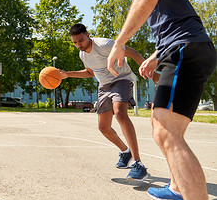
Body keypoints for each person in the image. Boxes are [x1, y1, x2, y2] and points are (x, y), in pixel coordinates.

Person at [105, 0, 216, 200]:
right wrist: (155, 57)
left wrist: (119, 44)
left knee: (167, 132)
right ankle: (178, 188)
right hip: (185, 46)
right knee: (163, 127)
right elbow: (176, 17)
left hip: (184, 49)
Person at [59, 23, 157, 181]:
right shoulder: (83, 54)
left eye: (81, 40)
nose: (79, 45)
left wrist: (151, 72)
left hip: (122, 79)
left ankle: (138, 164)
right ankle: (126, 152)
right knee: (103, 127)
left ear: (88, 35)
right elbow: (90, 73)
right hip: (104, 86)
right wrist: (68, 74)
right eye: (75, 42)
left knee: (120, 113)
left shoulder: (105, 44)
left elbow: (131, 52)